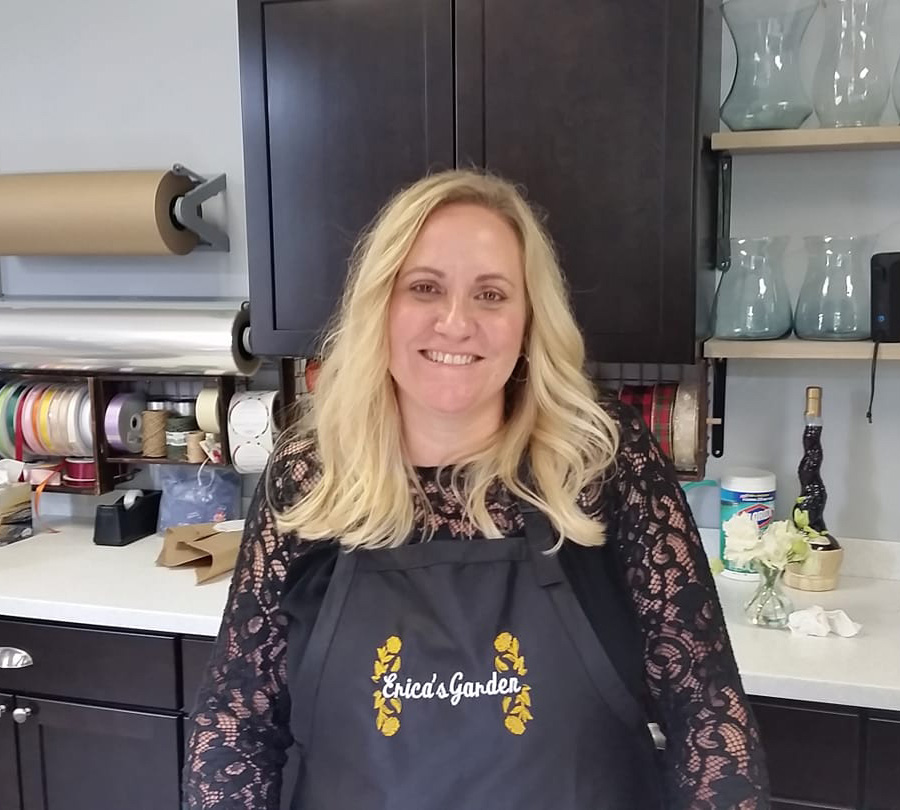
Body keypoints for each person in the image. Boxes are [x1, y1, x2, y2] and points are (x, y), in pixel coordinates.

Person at [183, 170, 768, 809]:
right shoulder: (309, 477)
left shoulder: (602, 463)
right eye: (425, 288)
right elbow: (236, 722)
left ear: (528, 324)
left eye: (491, 294)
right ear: (381, 308)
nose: (456, 323)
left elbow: (707, 709)